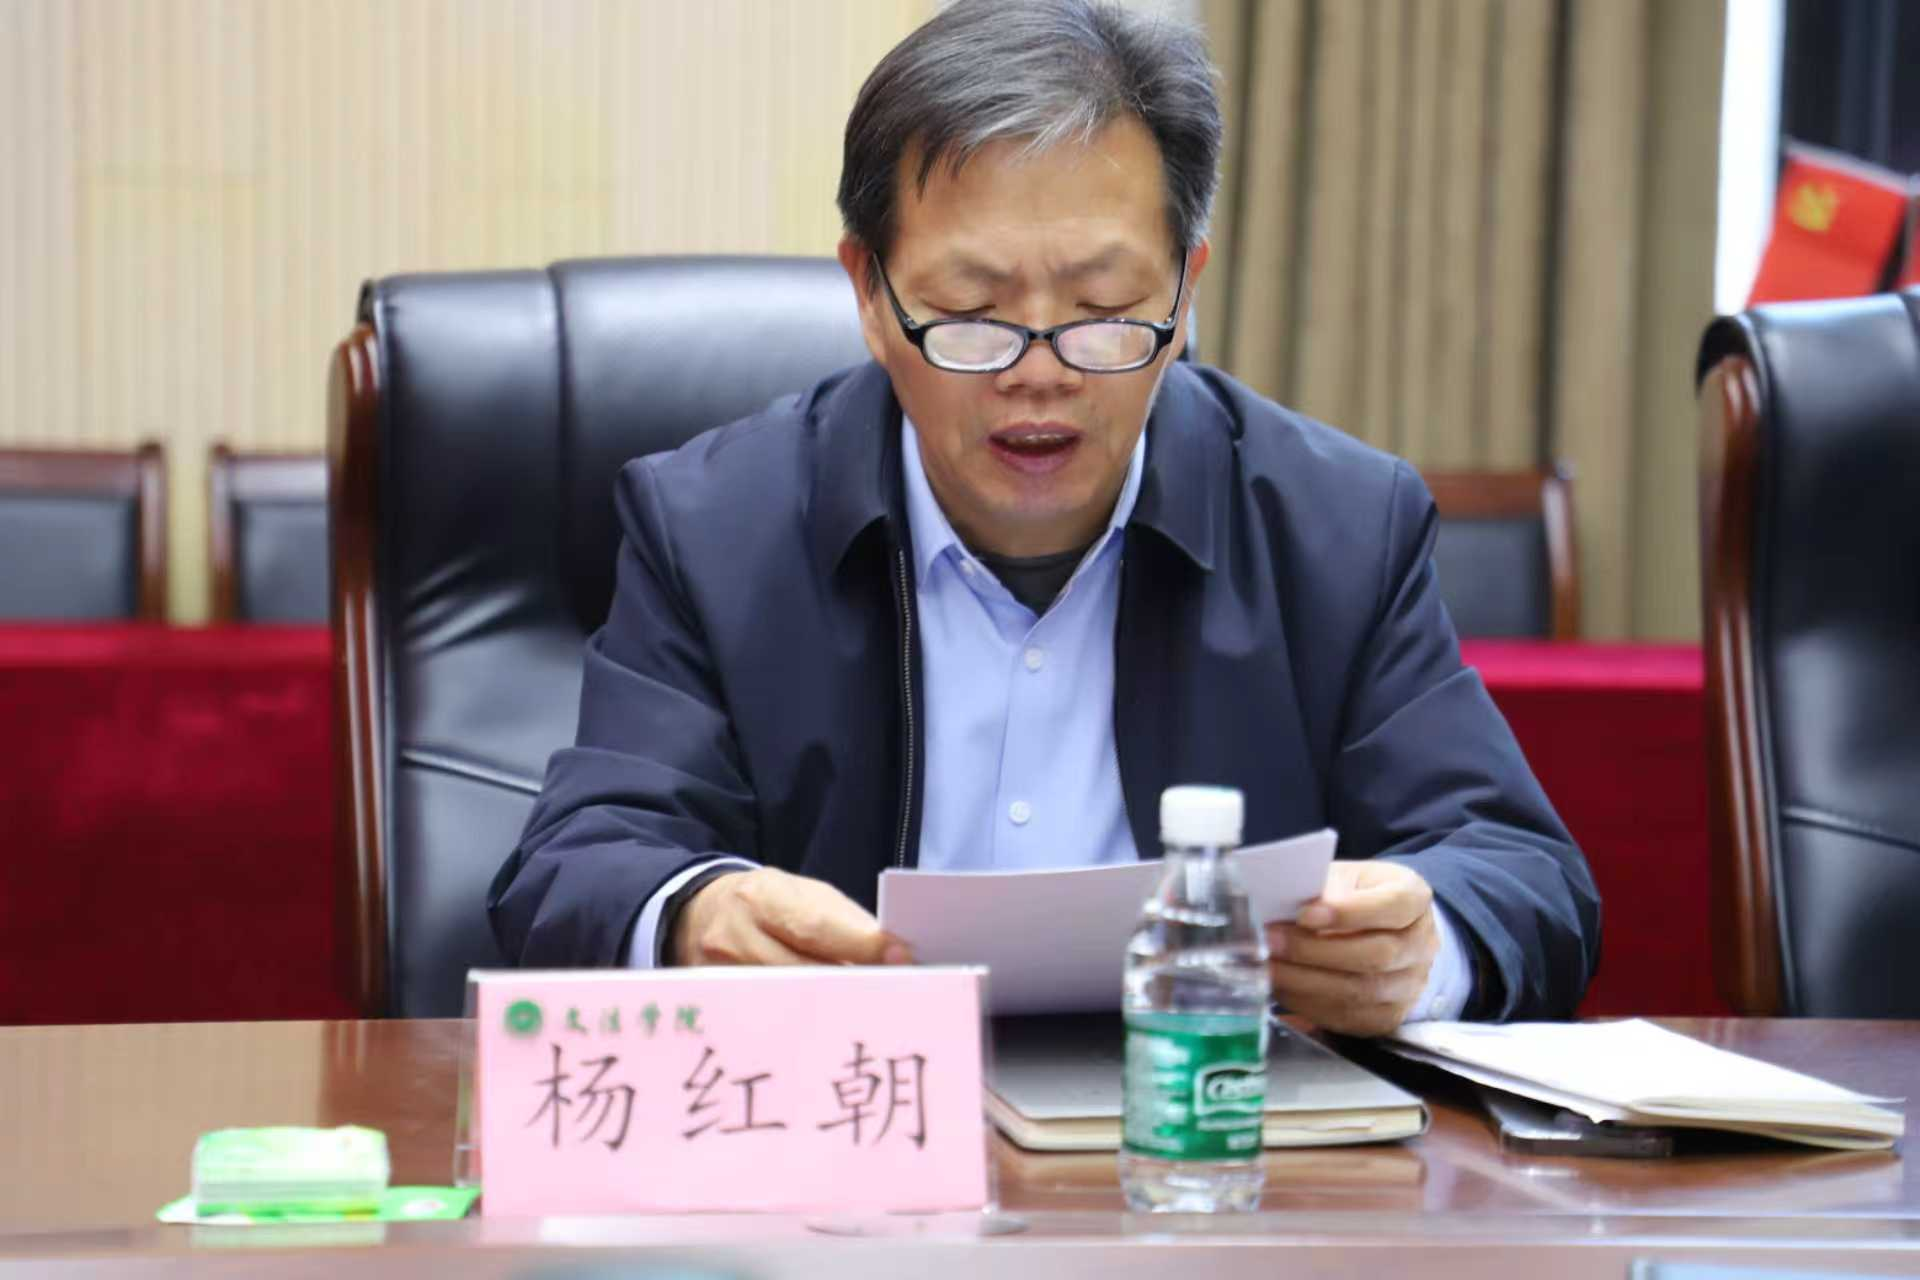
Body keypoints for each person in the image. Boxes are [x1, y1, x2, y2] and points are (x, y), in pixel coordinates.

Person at [487, 0, 1600, 1035]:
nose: (1039, 370)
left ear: (1185, 291)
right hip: (853, 1131)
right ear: (870, 294)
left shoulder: (1336, 527)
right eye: (971, 311)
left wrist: (1424, 949)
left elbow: (1521, 871)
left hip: (1206, 1134)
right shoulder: (715, 525)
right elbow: (580, 861)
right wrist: (697, 913)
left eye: (1104, 308)